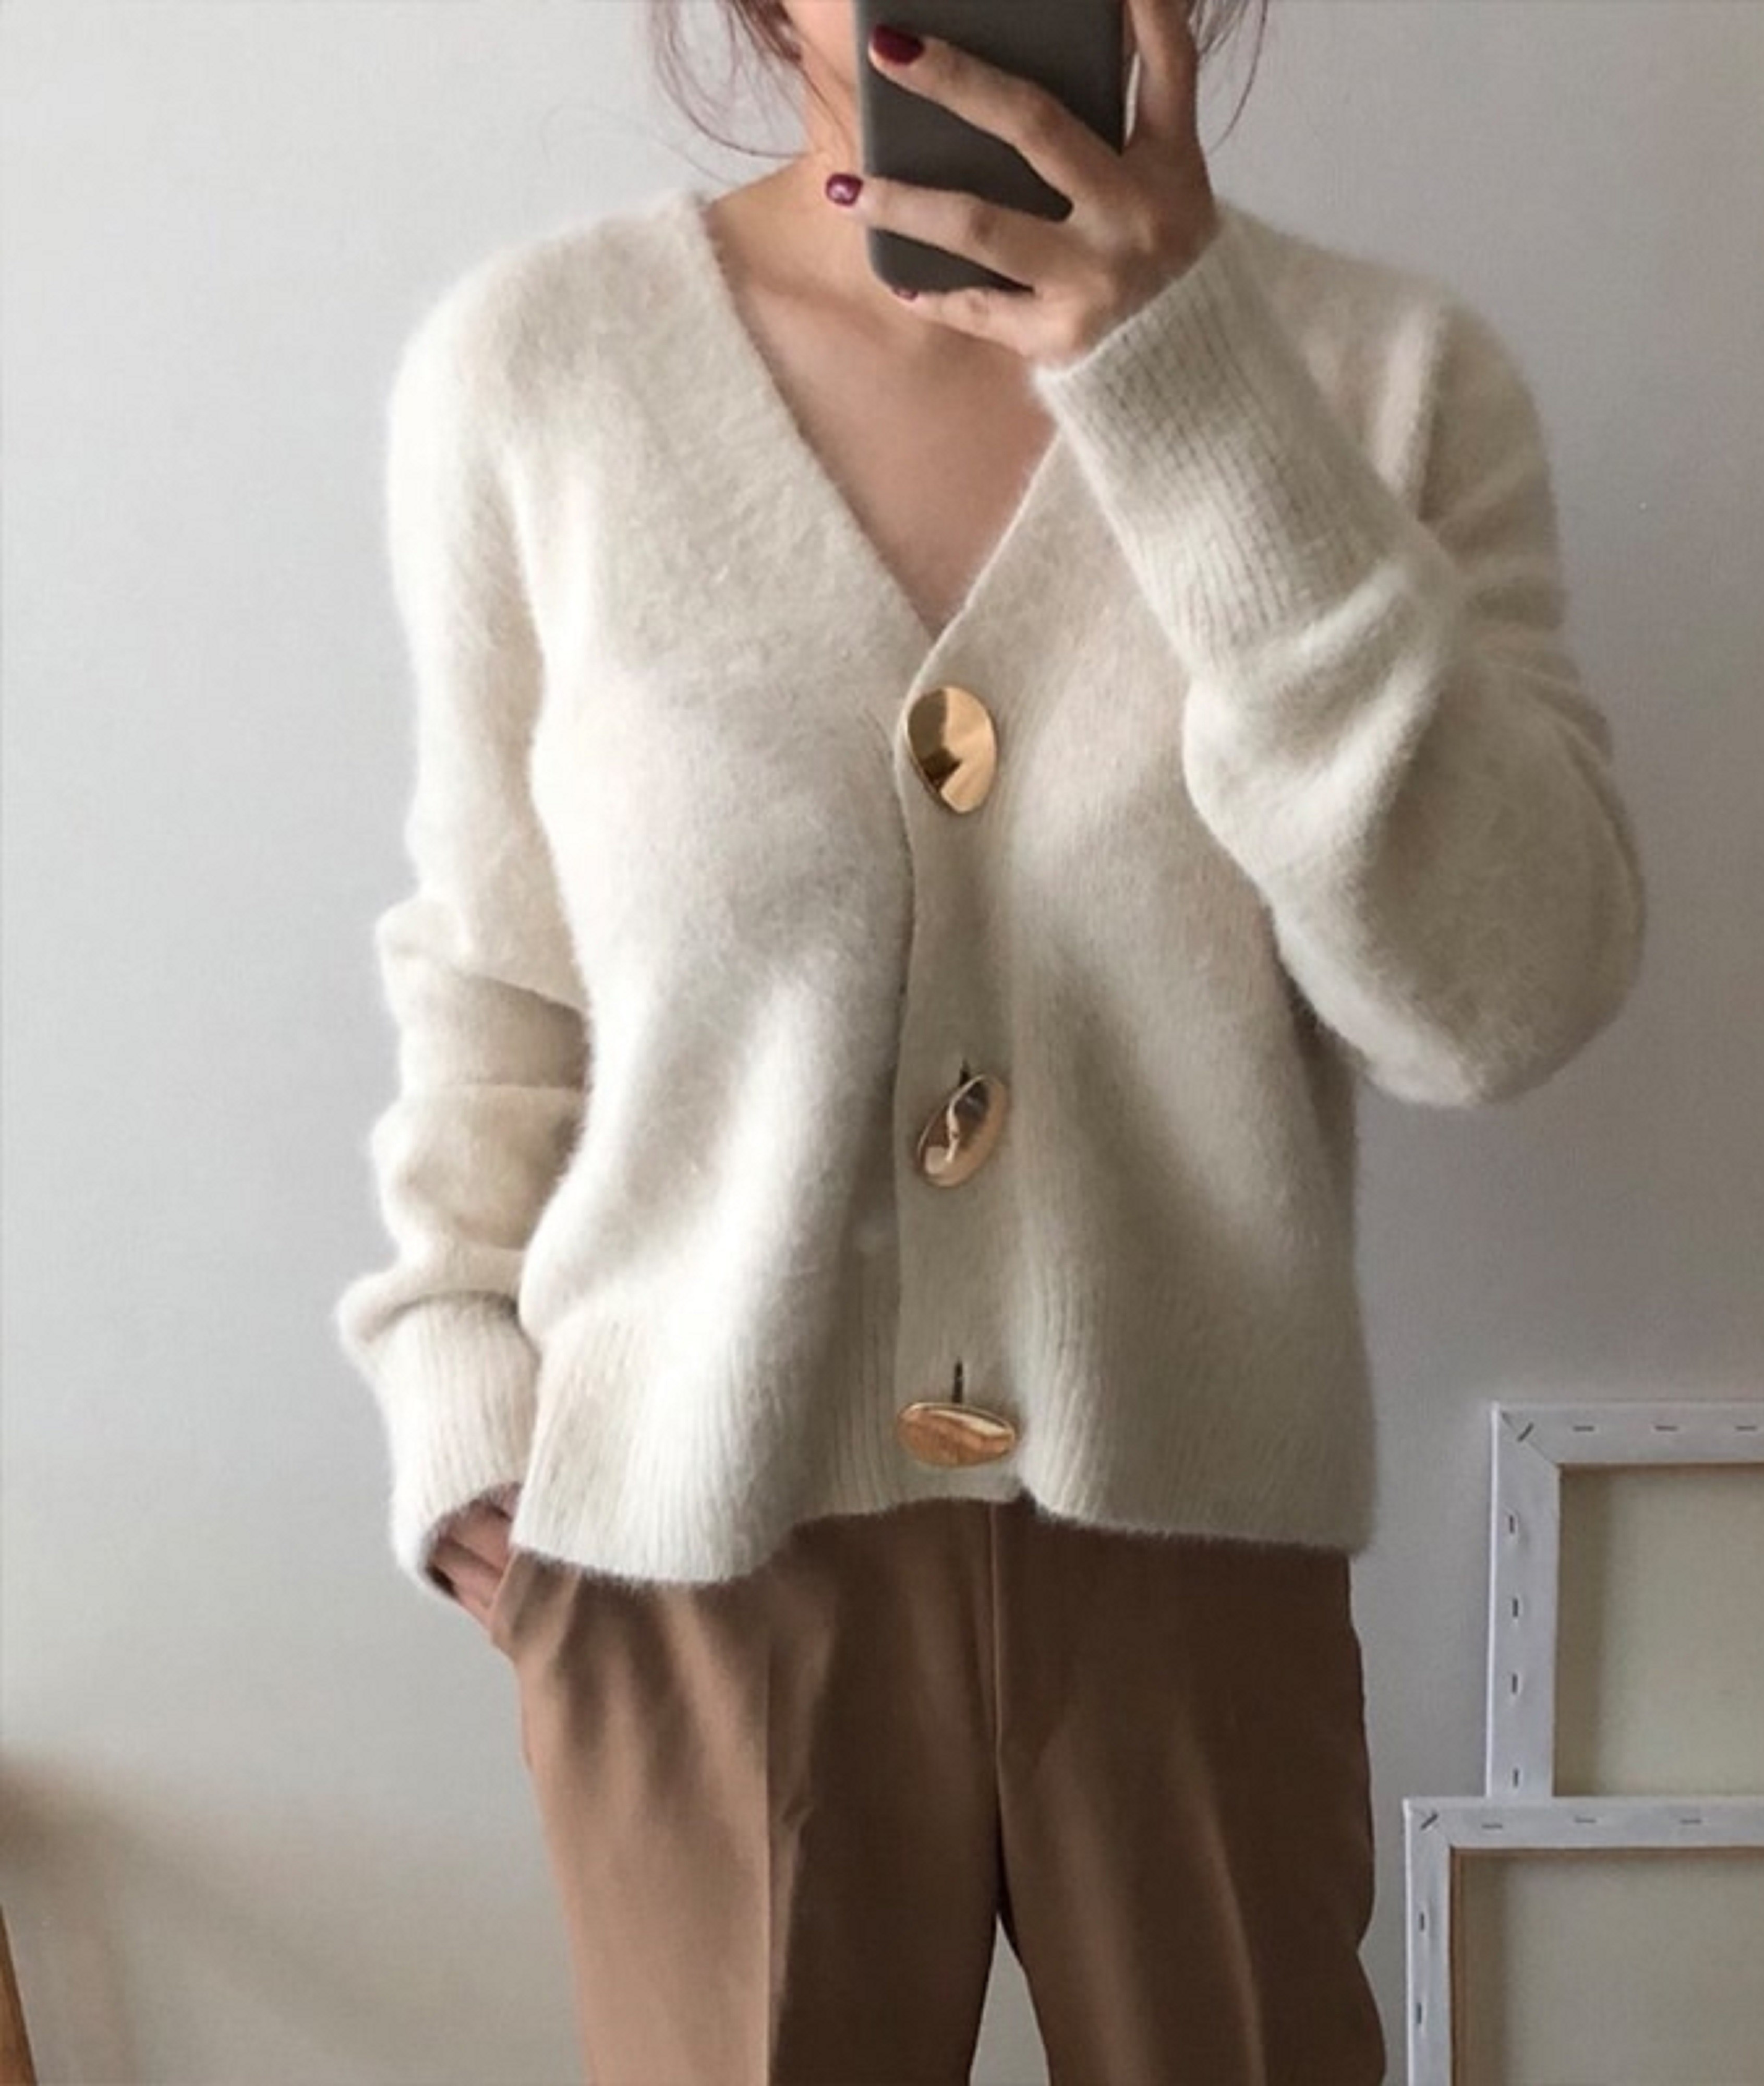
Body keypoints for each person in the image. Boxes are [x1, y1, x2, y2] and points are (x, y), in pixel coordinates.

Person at [333, 0, 1648, 2076]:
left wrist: (1191, 387)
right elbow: (496, 955)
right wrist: (454, 1377)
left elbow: (1502, 997)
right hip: (695, 1541)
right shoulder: (542, 369)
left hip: (1192, 1537)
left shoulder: (1381, 380)